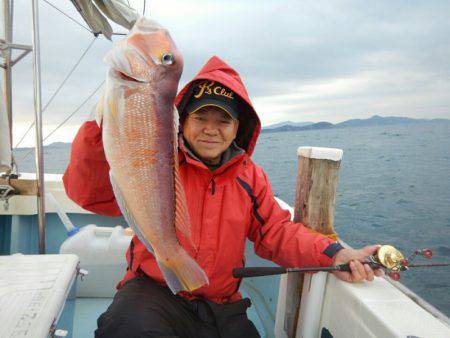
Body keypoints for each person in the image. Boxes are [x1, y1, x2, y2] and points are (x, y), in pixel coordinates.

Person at [63, 56, 381, 338]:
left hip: (222, 305)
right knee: (126, 329)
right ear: (182, 120)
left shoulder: (249, 177)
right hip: (152, 292)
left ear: (237, 127)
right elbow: (91, 196)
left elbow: (277, 232)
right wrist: (102, 120)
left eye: (223, 120)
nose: (211, 130)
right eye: (201, 118)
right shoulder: (154, 159)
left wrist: (336, 254)